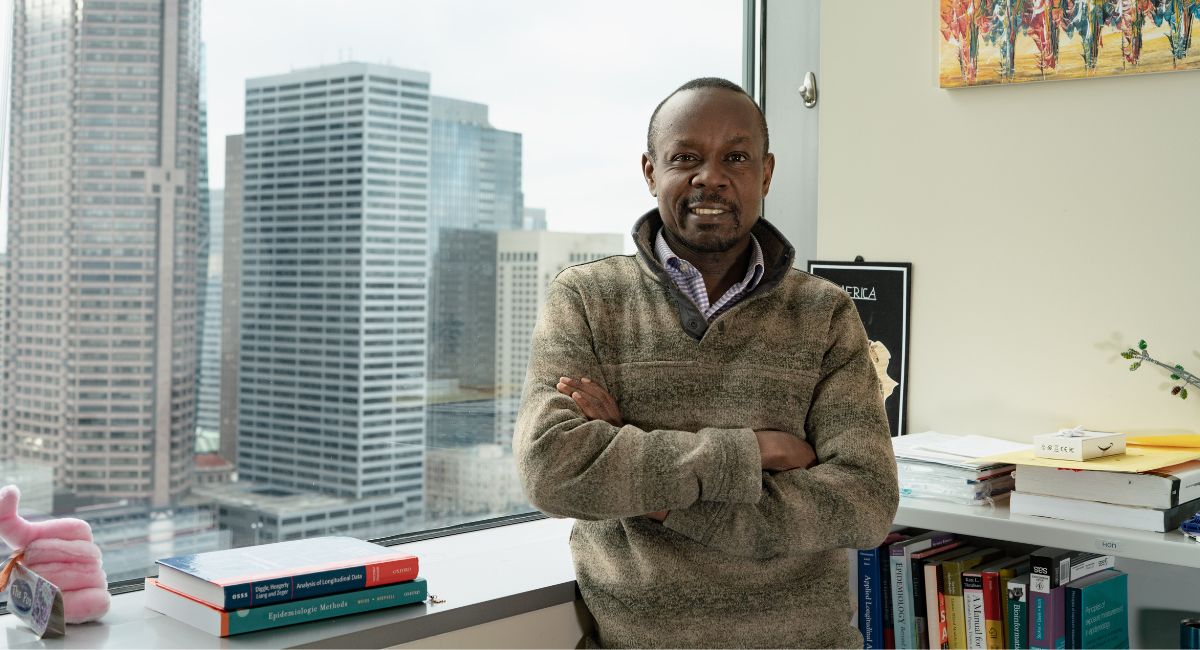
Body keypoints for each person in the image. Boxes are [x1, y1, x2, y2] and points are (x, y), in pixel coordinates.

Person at [514, 77, 899, 648]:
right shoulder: (587, 299)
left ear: (765, 172)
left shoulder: (824, 313)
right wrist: (755, 451)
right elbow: (553, 469)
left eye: (735, 157)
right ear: (651, 171)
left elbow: (864, 505)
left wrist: (640, 464)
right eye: (686, 157)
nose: (710, 177)